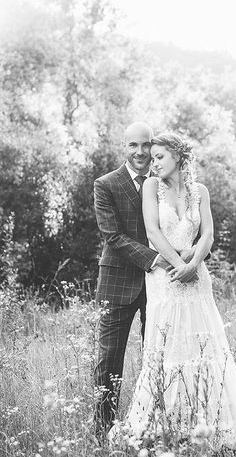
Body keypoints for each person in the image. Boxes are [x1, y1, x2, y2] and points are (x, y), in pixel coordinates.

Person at [111, 132, 236, 449]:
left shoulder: (199, 191)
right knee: (168, 350)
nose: (153, 161)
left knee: (203, 348)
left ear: (178, 157)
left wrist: (194, 264)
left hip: (197, 278)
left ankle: (207, 426)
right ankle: (165, 428)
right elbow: (153, 232)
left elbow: (208, 235)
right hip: (166, 277)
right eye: (153, 156)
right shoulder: (151, 187)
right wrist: (179, 265)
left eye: (160, 156)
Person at [93, 122, 185, 435]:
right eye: (133, 145)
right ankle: (102, 432)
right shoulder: (106, 184)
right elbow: (113, 236)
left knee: (159, 358)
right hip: (118, 282)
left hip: (160, 287)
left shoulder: (165, 182)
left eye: (146, 145)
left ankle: (153, 427)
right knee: (108, 361)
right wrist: (156, 259)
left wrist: (190, 258)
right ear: (125, 147)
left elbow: (185, 224)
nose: (141, 152)